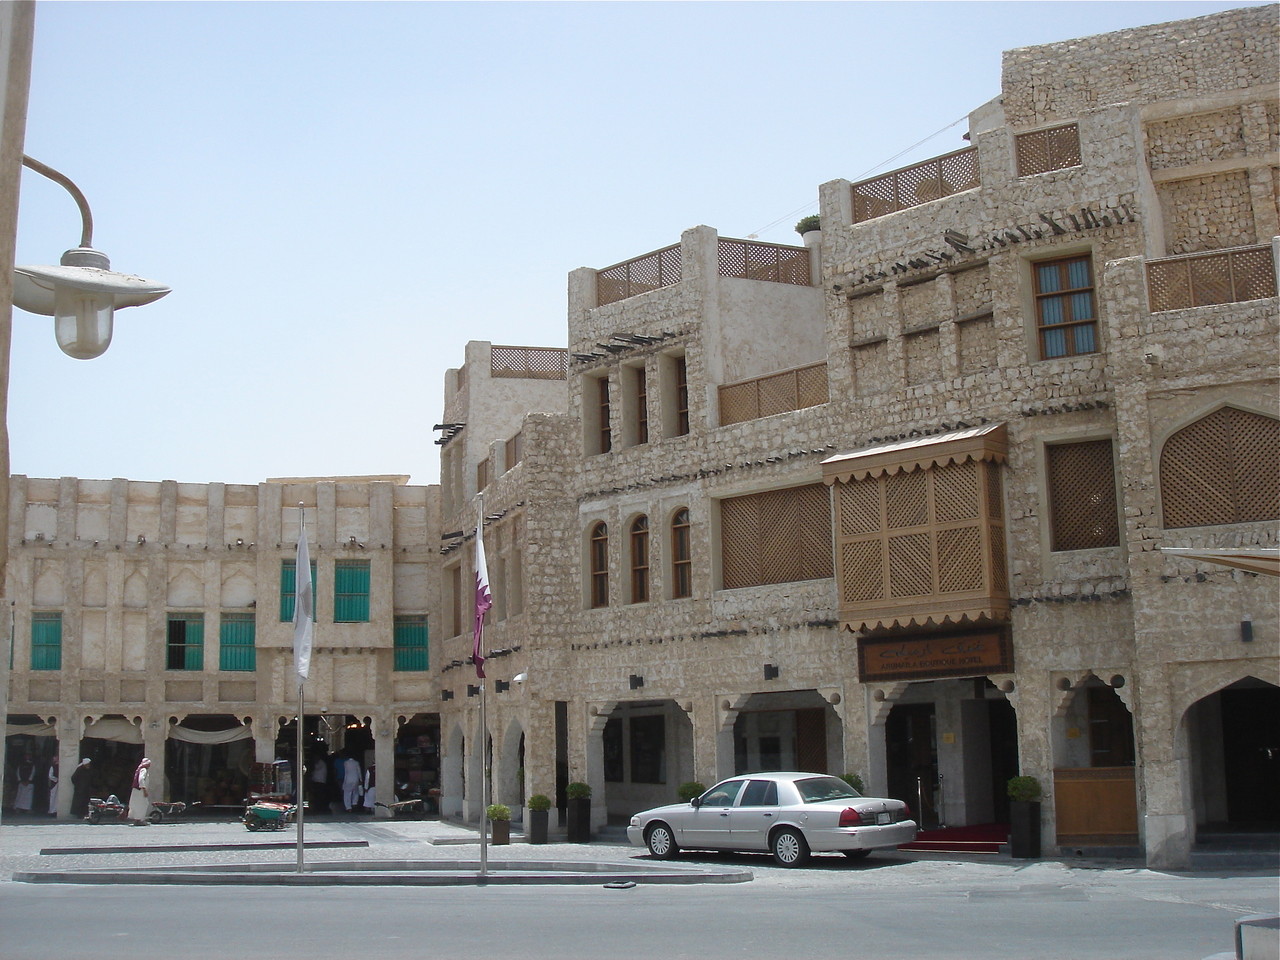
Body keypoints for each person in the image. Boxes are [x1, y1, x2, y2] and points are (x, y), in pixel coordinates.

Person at [128, 757, 152, 825]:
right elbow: (141, 779)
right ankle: (140, 820)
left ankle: (137, 820)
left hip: (137, 790)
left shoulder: (140, 769)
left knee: (137, 804)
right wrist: (144, 790)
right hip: (140, 790)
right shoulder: (143, 770)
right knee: (143, 804)